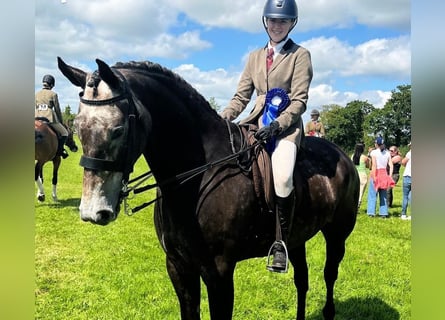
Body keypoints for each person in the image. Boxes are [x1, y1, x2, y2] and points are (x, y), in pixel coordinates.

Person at [220, 0, 313, 272]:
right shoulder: (254, 57)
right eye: (272, 20)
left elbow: (299, 100)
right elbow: (241, 96)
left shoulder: (300, 55)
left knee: (282, 175)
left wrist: (279, 124)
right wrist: (223, 117)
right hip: (254, 123)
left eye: (282, 21)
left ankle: (281, 242)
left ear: (291, 23)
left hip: (286, 128)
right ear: (265, 21)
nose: (276, 25)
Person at [35, 74, 69, 158]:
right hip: (49, 117)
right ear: (52, 84)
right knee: (65, 133)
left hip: (36, 117)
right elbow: (57, 109)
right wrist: (60, 121)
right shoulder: (53, 94)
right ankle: (60, 150)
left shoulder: (36, 94)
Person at [366, 136, 395, 218]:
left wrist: (374, 176)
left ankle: (371, 212)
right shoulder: (387, 153)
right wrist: (390, 176)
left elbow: (374, 165)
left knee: (372, 194)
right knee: (383, 195)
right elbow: (391, 165)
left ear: (376, 144)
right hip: (384, 173)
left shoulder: (374, 153)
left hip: (376, 172)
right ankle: (384, 213)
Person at [351, 143, 369, 209]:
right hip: (362, 175)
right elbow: (368, 166)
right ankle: (358, 204)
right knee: (361, 192)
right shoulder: (364, 157)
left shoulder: (352, 156)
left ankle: (352, 203)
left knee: (353, 191)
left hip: (355, 174)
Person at [400, 142, 411, 220]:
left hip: (407, 176)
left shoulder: (409, 153)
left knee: (405, 196)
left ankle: (403, 214)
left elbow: (403, 162)